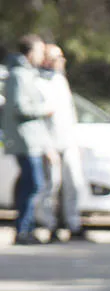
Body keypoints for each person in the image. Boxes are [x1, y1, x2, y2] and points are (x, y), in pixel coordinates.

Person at [1, 34, 53, 246]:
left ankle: (26, 229)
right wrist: (44, 110)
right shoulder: (19, 76)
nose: (42, 57)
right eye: (40, 52)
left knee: (30, 184)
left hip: (33, 140)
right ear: (30, 52)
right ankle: (23, 230)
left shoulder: (29, 74)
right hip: (25, 141)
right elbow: (19, 107)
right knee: (33, 185)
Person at [35, 43, 87, 242]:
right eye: (57, 58)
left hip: (68, 142)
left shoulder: (60, 80)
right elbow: (40, 119)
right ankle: (50, 225)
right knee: (52, 186)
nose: (61, 61)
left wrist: (76, 141)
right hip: (50, 144)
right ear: (47, 59)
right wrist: (46, 146)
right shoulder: (37, 81)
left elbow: (70, 114)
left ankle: (74, 224)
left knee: (73, 183)